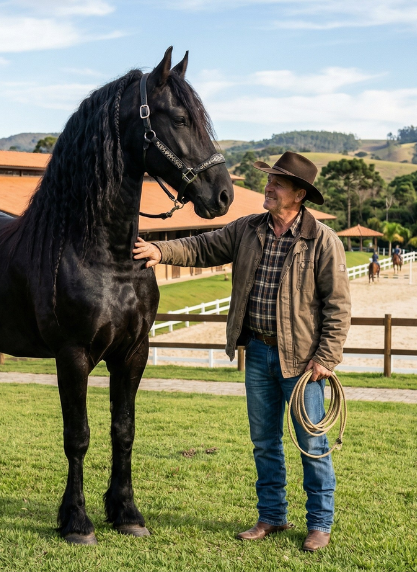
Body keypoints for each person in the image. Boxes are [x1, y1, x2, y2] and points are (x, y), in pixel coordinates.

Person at [133, 152, 351, 552]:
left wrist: (326, 357)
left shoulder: (322, 241)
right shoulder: (248, 229)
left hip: (302, 365)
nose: (268, 187)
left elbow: (337, 306)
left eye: (278, 183)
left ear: (299, 194)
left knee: (313, 446)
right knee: (264, 442)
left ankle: (319, 524)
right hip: (258, 353)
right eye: (270, 181)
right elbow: (202, 246)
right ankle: (272, 516)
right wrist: (160, 252)